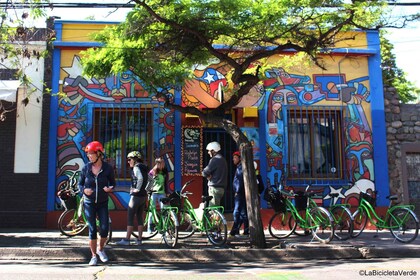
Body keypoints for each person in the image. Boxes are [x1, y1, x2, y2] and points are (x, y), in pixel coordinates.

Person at [78, 141, 115, 266]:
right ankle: (93, 256)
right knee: (92, 229)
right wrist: (84, 190)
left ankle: (100, 249)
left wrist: (110, 188)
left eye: (91, 153)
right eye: (88, 154)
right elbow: (80, 184)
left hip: (103, 202)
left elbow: (113, 183)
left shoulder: (108, 168)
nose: (89, 156)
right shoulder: (86, 168)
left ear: (99, 154)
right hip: (89, 203)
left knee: (104, 228)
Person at [116, 151, 149, 246]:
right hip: (143, 196)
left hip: (136, 196)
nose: (128, 161)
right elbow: (151, 179)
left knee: (130, 216)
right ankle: (139, 240)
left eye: (129, 159)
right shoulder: (144, 167)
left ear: (134, 159)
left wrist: (137, 189)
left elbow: (140, 179)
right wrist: (146, 190)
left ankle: (127, 239)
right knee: (139, 217)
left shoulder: (136, 167)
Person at [229, 151, 249, 237]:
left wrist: (237, 191)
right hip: (241, 193)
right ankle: (245, 231)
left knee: (236, 212)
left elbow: (240, 181)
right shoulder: (239, 167)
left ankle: (235, 231)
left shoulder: (240, 168)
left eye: (235, 158)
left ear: (240, 159)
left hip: (240, 193)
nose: (233, 159)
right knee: (243, 213)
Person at [202, 141, 228, 206]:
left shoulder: (214, 160)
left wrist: (208, 176)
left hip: (214, 188)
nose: (208, 152)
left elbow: (204, 172)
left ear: (213, 151)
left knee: (213, 209)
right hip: (221, 188)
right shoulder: (223, 159)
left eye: (209, 151)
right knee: (216, 207)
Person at [147, 157, 168, 233]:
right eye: (160, 163)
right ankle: (149, 227)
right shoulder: (152, 172)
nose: (162, 165)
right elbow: (149, 182)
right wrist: (148, 192)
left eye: (163, 163)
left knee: (164, 210)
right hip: (154, 193)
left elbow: (166, 182)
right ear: (157, 164)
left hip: (162, 193)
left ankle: (163, 226)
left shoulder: (165, 171)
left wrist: (167, 192)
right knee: (152, 210)